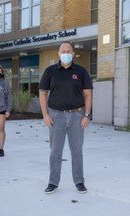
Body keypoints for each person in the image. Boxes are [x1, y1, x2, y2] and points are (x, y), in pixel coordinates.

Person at [39, 41, 93, 194]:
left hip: (77, 115)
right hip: (56, 116)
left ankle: (79, 181)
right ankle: (53, 182)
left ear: (73, 54)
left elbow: (88, 94)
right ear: (58, 53)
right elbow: (43, 93)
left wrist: (87, 115)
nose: (66, 53)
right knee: (55, 151)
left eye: (69, 51)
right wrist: (45, 115)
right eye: (63, 51)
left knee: (77, 151)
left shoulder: (81, 72)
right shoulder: (50, 71)